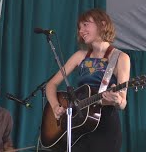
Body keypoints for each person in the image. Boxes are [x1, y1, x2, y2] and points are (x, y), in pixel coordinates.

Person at [45, 8, 130, 152]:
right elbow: (51, 84)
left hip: (105, 127)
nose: (81, 30)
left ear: (102, 24)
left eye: (85, 25)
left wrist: (117, 100)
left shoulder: (121, 57)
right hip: (79, 125)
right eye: (79, 27)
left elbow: (122, 102)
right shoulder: (80, 56)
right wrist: (55, 107)